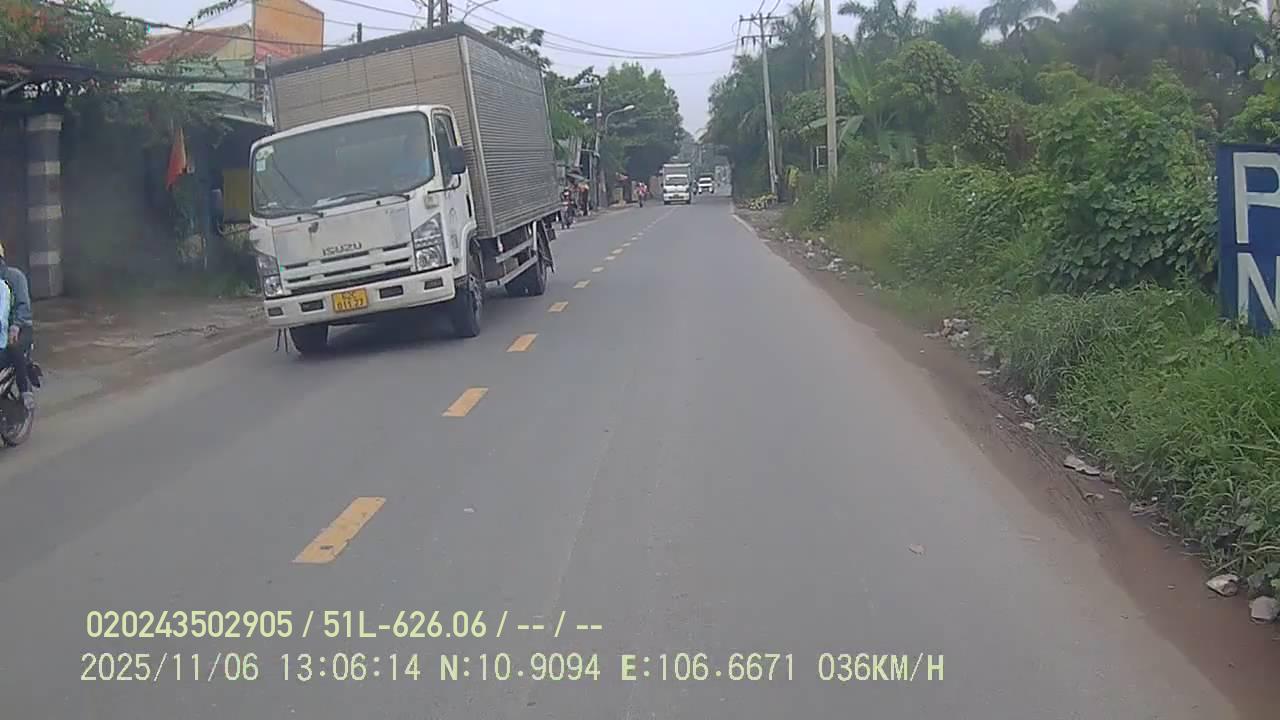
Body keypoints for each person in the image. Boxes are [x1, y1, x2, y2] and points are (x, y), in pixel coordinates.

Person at [0, 243, 34, 410]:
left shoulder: (15, 277)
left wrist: (15, 325)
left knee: (14, 346)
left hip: (21, 329)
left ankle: (24, 390)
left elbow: (23, 305)